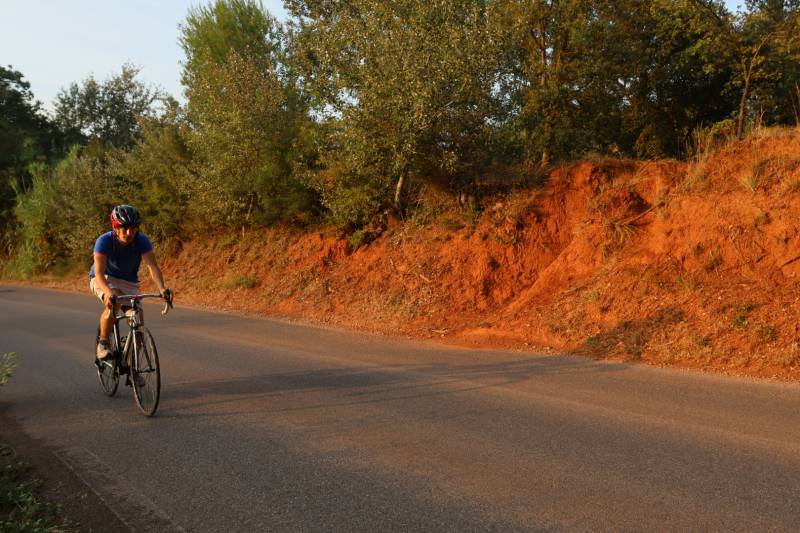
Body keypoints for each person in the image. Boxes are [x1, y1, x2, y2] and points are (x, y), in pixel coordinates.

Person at [89, 204, 172, 360]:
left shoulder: (142, 240)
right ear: (115, 227)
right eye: (124, 228)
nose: (129, 233)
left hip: (128, 281)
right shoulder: (104, 241)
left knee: (137, 319)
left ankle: (132, 368)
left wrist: (162, 289)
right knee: (115, 300)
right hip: (105, 278)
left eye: (133, 228)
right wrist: (108, 292)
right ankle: (103, 343)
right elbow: (99, 273)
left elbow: (152, 267)